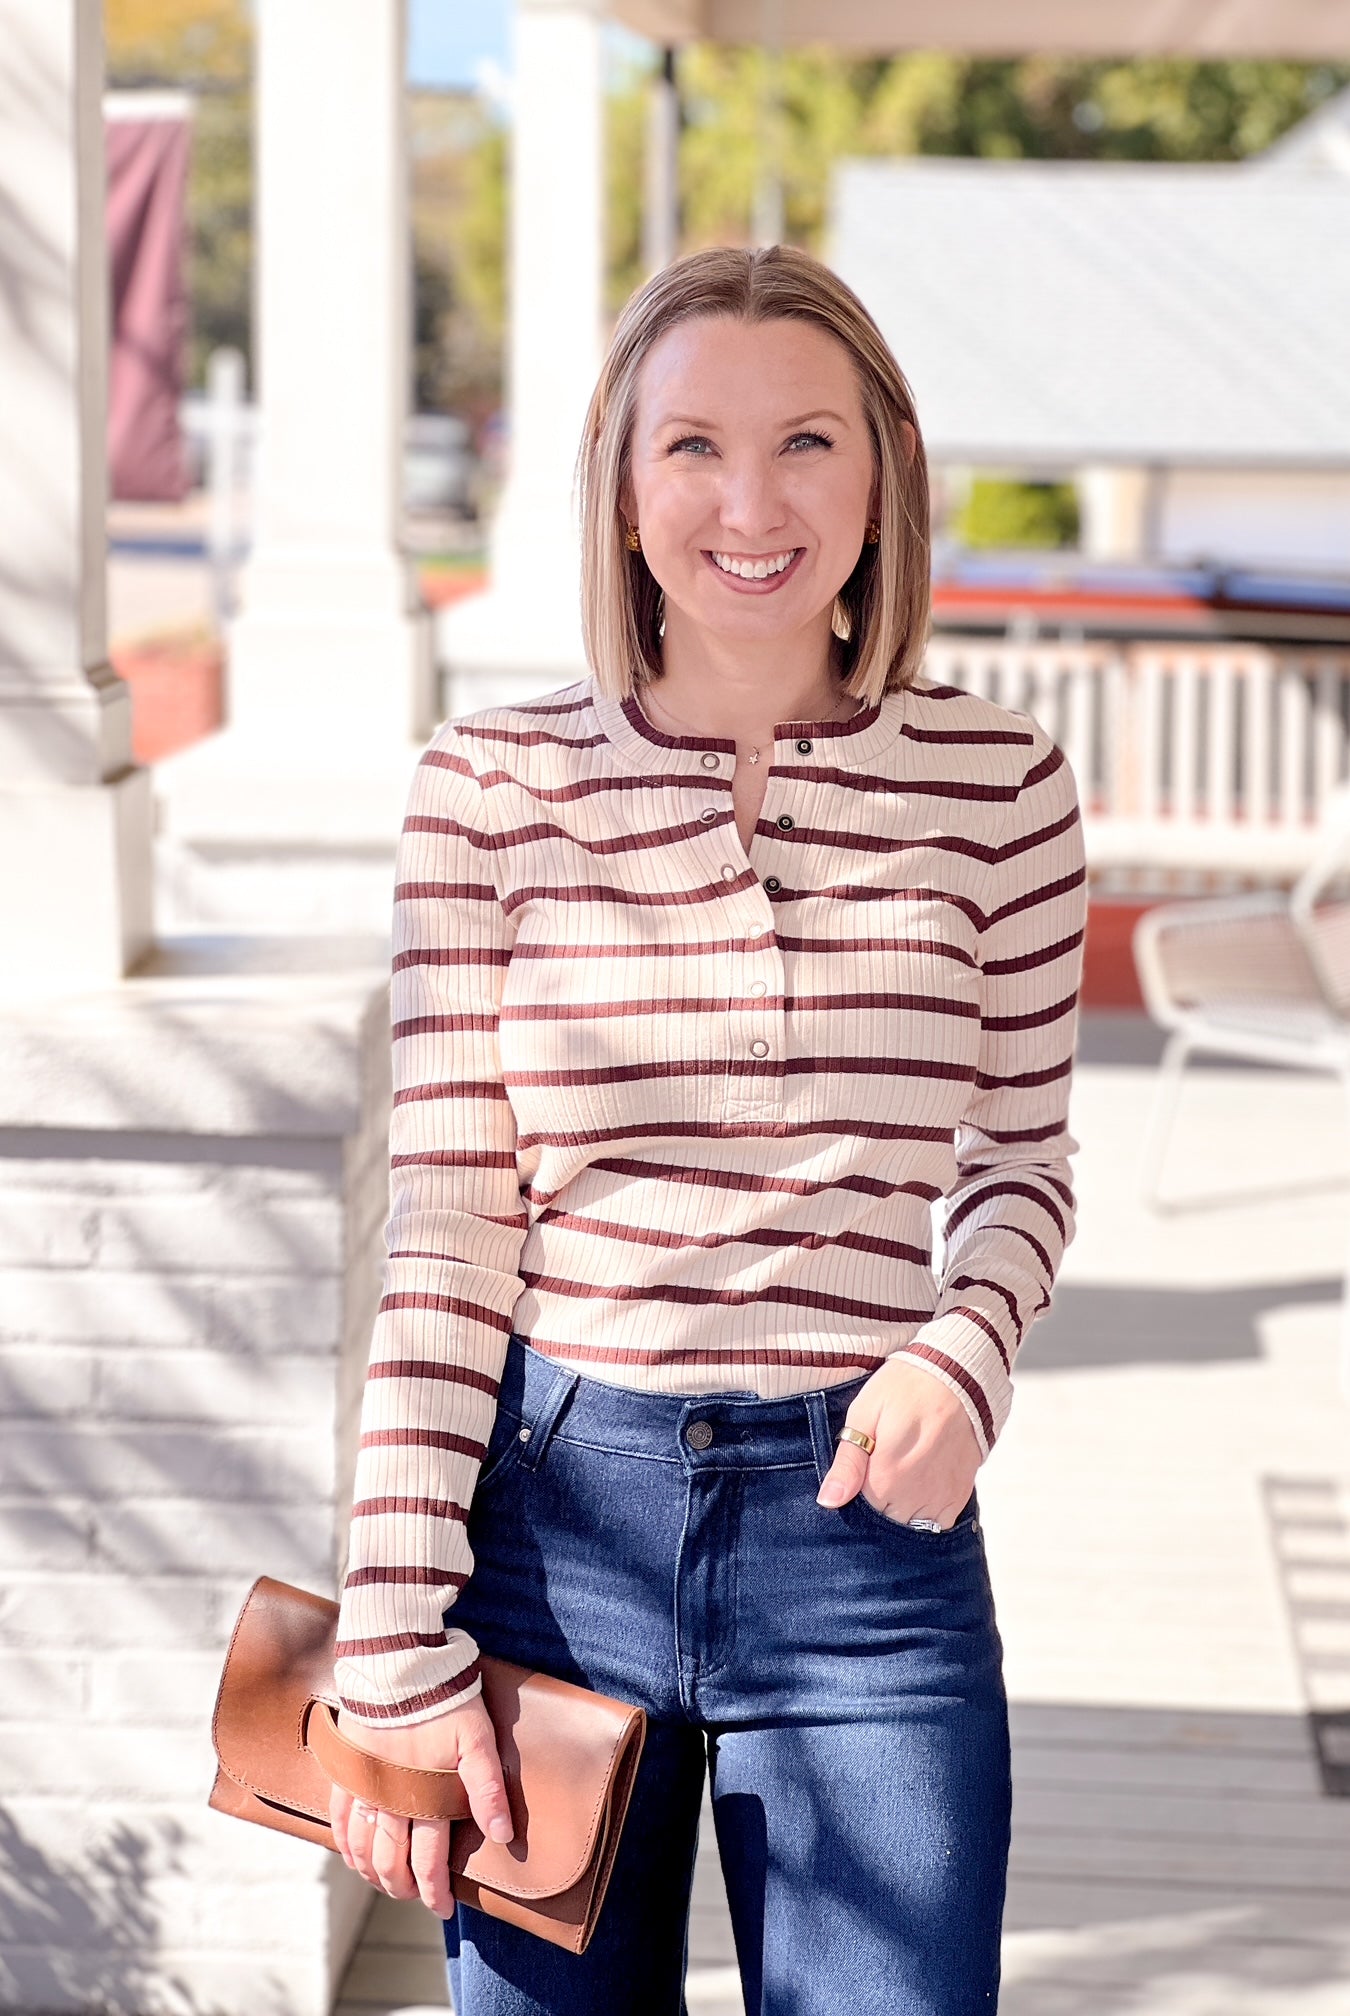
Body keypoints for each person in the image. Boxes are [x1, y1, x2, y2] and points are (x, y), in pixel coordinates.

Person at [327, 245, 1085, 2016]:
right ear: (618, 478)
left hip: (865, 1553)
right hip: (543, 1532)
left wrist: (967, 1350)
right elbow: (445, 1230)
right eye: (692, 448)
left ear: (885, 466)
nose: (751, 504)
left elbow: (1019, 1167)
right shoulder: (490, 787)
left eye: (807, 442)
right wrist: (390, 1630)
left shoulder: (1001, 790)